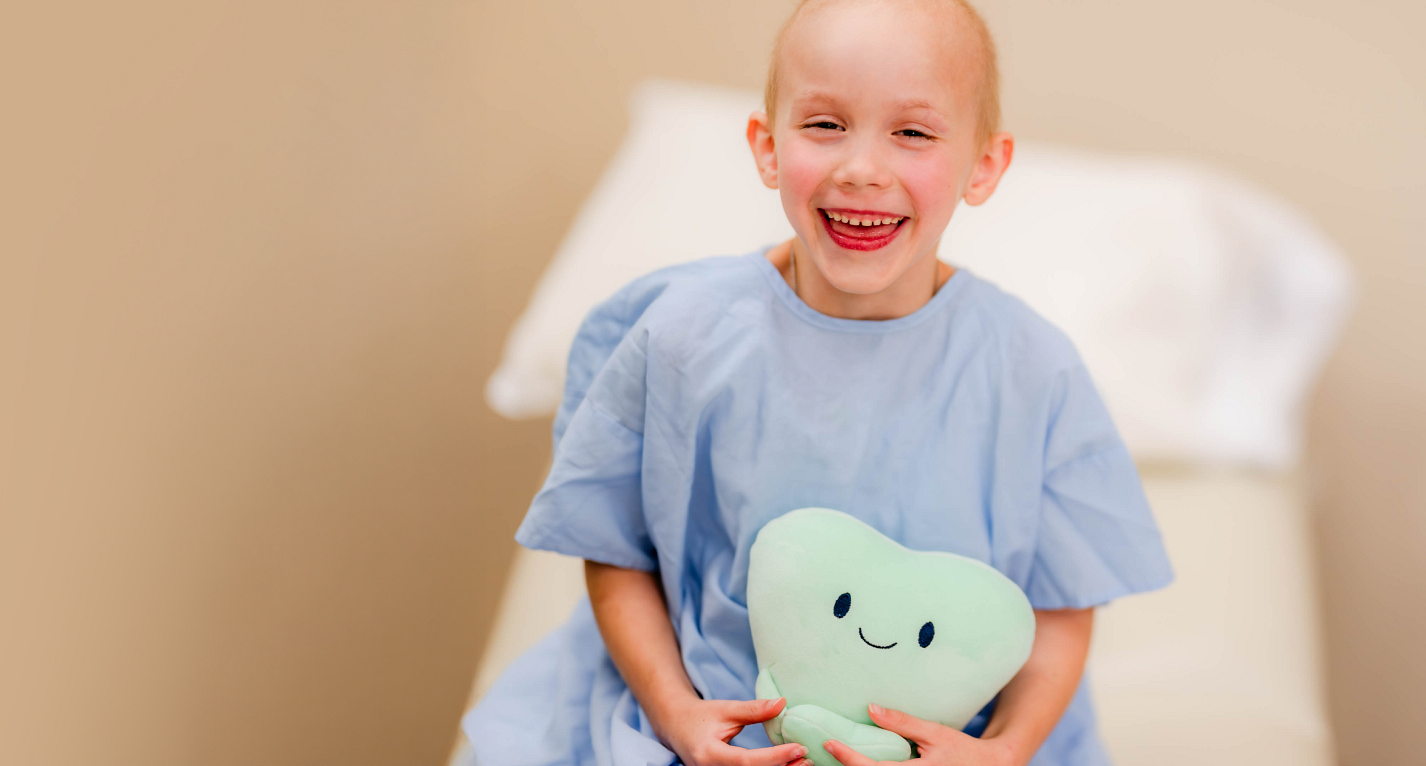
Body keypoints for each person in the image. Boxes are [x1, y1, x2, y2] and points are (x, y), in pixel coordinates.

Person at [462, 1, 1173, 764]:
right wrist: (674, 714)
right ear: (768, 148)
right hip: (711, 720)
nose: (861, 168)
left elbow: (1060, 606)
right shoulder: (681, 336)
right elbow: (617, 552)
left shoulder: (1035, 371)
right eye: (825, 125)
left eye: (913, 132)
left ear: (985, 166)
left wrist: (1005, 749)